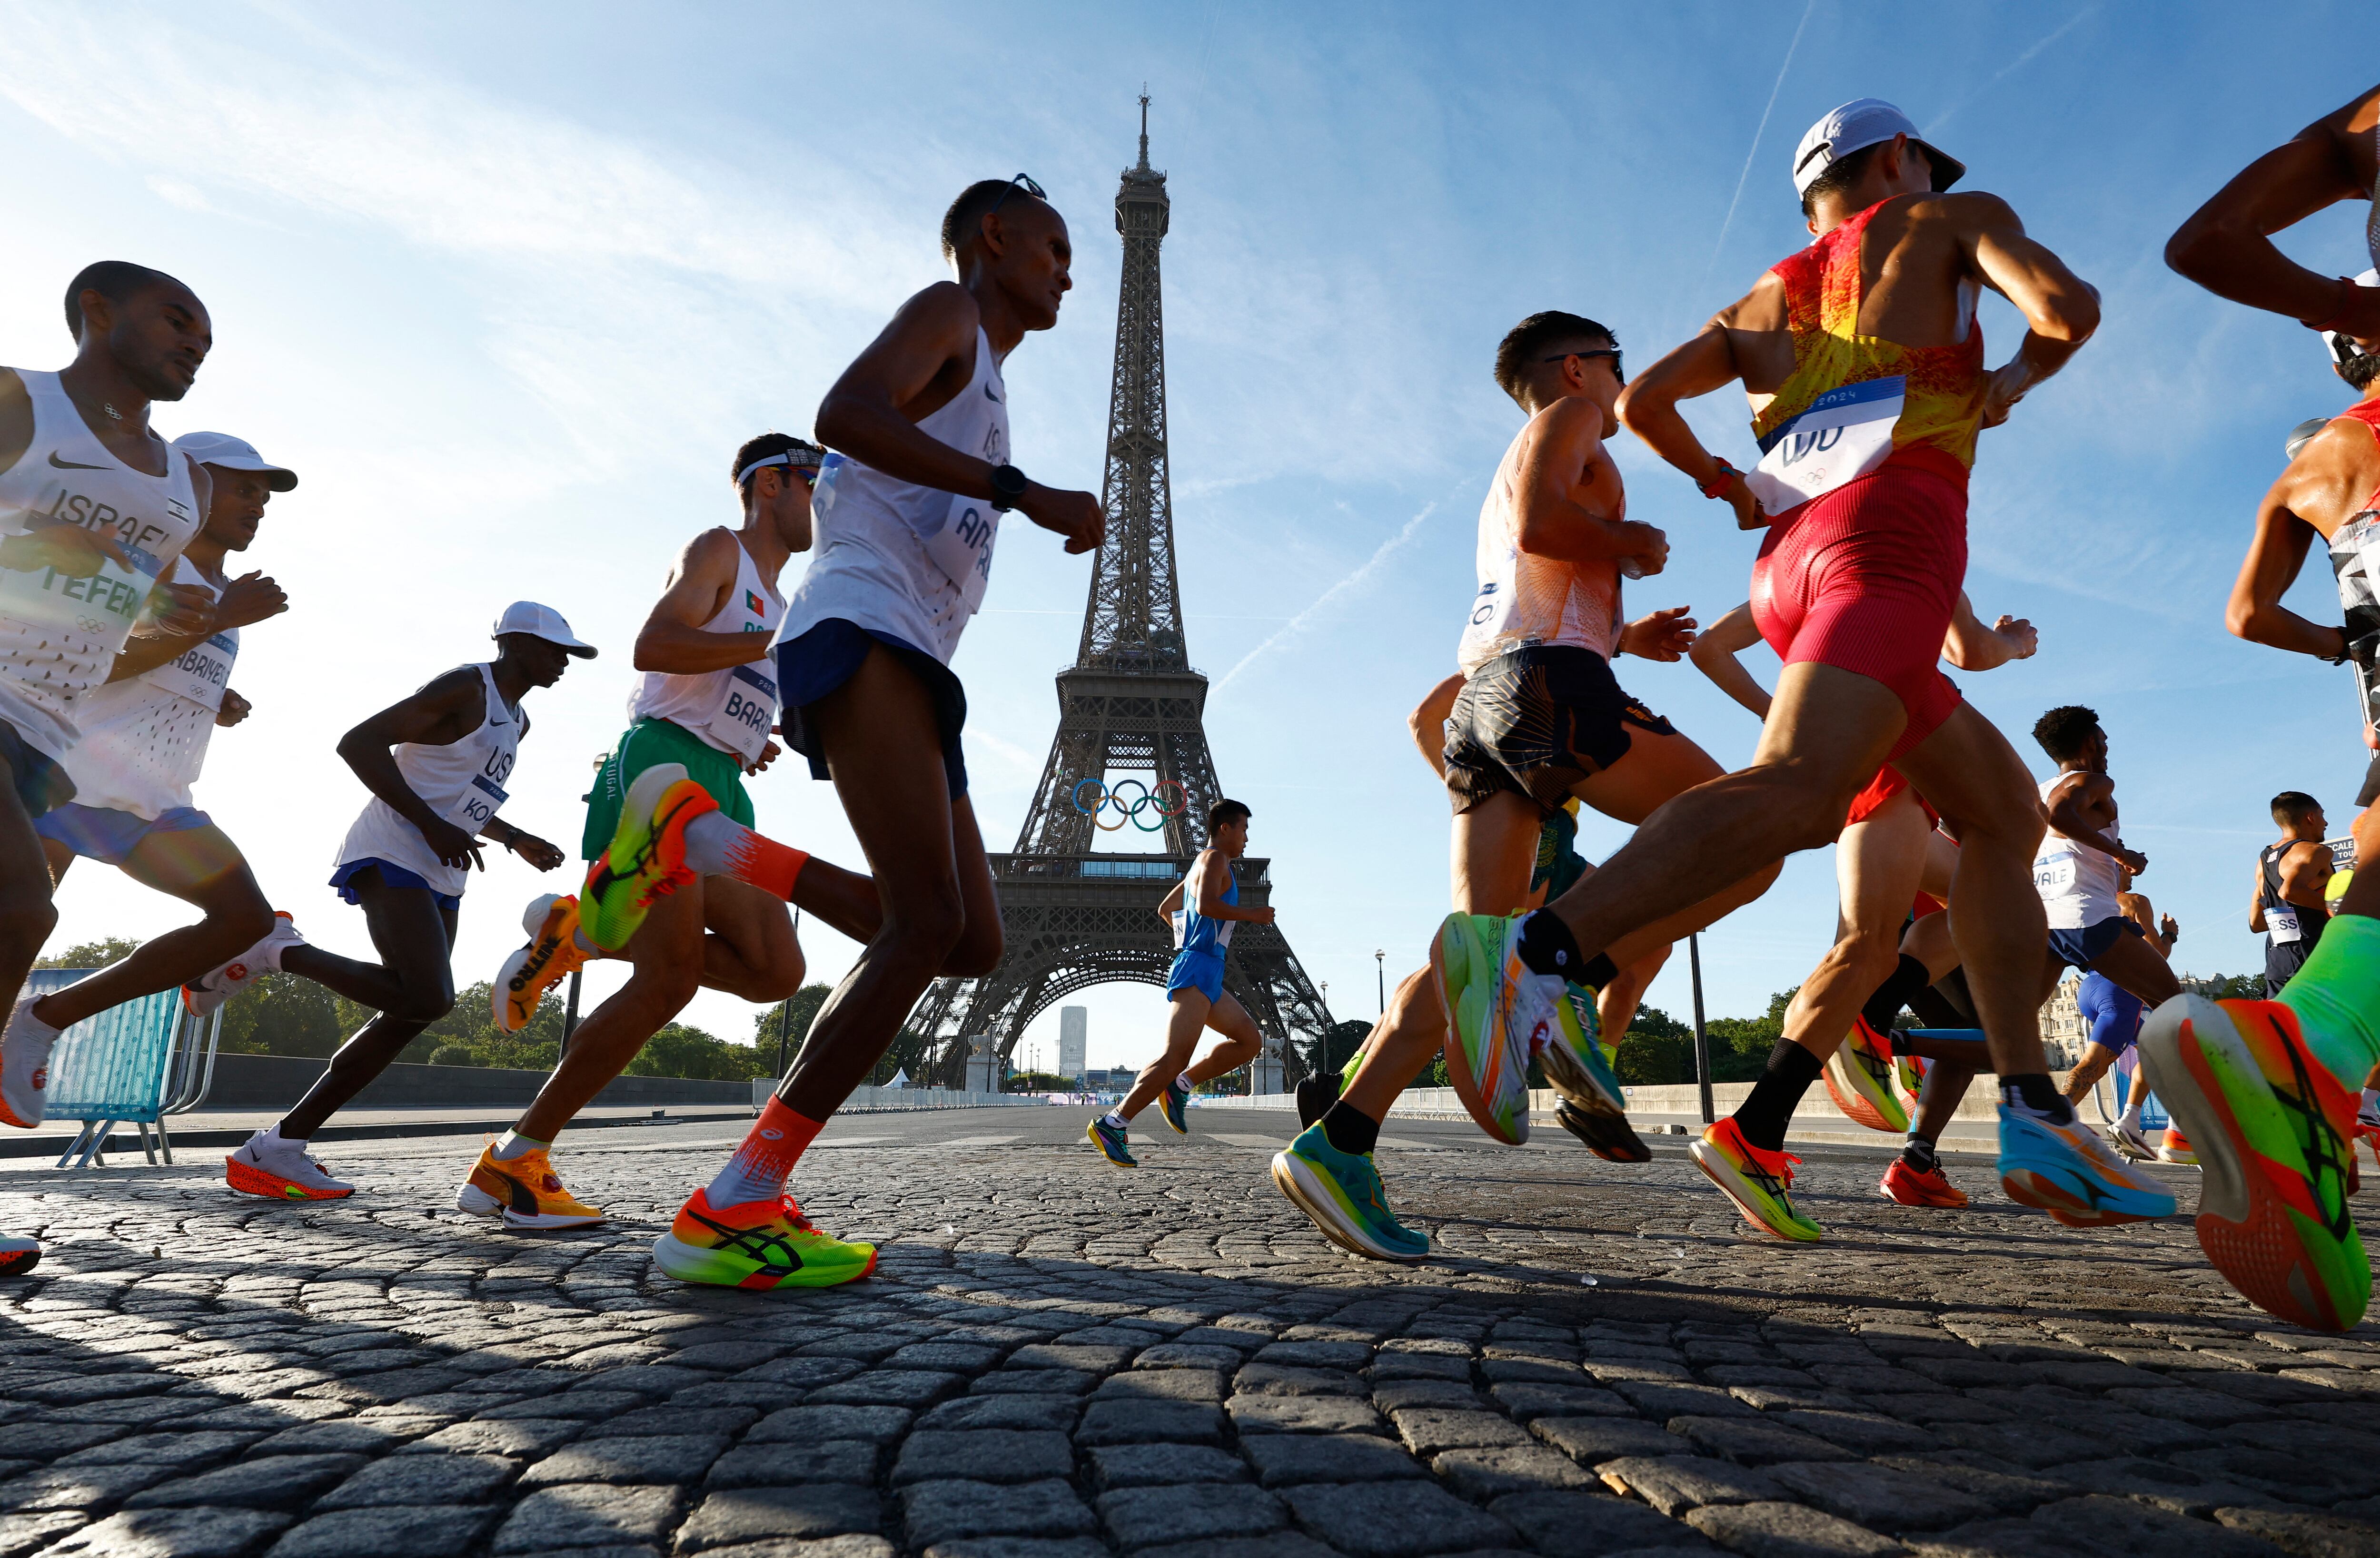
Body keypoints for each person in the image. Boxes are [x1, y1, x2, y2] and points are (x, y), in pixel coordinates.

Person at [1439, 99, 2171, 1234]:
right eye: (1924, 162)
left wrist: (1722, 483)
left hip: (1793, 566)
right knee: (1797, 790)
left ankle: (2032, 1108)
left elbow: (1640, 403)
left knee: (2002, 816)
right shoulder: (1949, 219)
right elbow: (2069, 311)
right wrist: (2009, 380)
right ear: (1896, 158)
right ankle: (1535, 957)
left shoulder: (1762, 298)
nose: (1932, 175)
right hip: (1892, 547)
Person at [647, 175, 1104, 1289]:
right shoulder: (947, 315)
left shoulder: (986, 377)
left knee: (975, 942)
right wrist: (1021, 490)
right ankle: (735, 1199)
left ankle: (722, 848)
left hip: (915, 659)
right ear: (992, 239)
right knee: (922, 921)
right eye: (1052, 246)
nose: (1068, 269)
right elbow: (843, 414)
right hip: (864, 626)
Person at [1270, 310, 1780, 1263]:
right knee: (1748, 831)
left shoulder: (1520, 450)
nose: (1623, 384)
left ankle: (1338, 1141)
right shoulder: (1570, 416)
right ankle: (1566, 978)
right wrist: (1626, 539)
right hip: (1550, 685)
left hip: (1490, 699)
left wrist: (1626, 634)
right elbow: (1548, 527)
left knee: (1476, 947)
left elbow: (1527, 574)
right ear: (1580, 367)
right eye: (1617, 366)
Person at [457, 434, 851, 1224]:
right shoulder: (718, 551)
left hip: (722, 781)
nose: (826, 502)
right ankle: (514, 1159)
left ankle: (585, 930)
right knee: (667, 981)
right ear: (769, 484)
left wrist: (752, 732)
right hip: (660, 772)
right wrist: (770, 651)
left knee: (776, 969)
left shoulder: (782, 599)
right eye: (816, 484)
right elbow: (654, 645)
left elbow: (718, 676)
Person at [1683, 592, 2033, 1234]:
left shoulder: (1797, 567)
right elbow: (1969, 650)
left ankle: (1852, 1036)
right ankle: (1760, 1128)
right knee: (1866, 948)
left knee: (1975, 896)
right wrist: (2013, 642)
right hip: (1893, 767)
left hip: (1873, 768)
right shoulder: (1911, 542)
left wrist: (1793, 719)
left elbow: (1707, 647)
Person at [213, 605, 583, 1199]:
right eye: (554, 650)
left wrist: (514, 837)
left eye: (570, 654)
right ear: (513, 643)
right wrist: (428, 824)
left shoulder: (521, 721)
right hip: (392, 850)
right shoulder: (466, 686)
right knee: (430, 997)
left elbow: (462, 794)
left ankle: (279, 1146)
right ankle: (279, 950)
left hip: (443, 868)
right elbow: (357, 743)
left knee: (411, 1012)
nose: (564, 662)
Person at [0, 262, 217, 1276]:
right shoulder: (23, 403)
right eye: (178, 319)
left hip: (46, 732)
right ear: (97, 310)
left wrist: (167, 623)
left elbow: (120, 602)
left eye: (205, 336)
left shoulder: (178, 480)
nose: (195, 342)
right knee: (18, 910)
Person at [20, 433, 292, 1085]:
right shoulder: (145, 564)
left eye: (264, 496)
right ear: (193, 484)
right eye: (244, 488)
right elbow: (97, 663)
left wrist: (212, 697)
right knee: (20, 928)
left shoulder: (223, 590)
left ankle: (45, 1019)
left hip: (156, 799)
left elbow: (156, 666)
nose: (258, 505)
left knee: (245, 920)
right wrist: (215, 619)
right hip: (71, 783)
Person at [1086, 799, 1270, 1166]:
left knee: (1250, 1041)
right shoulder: (1215, 858)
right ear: (1225, 829)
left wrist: (1194, 941)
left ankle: (1181, 1085)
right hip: (1198, 968)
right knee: (1175, 1056)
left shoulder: (1202, 864)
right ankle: (1113, 1122)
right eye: (1244, 829)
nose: (1247, 838)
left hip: (1208, 969)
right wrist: (1251, 914)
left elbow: (1168, 908)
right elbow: (1203, 907)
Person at [2029, 707, 2182, 1083]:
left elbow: (2055, 842)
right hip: (2087, 921)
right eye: (2104, 740)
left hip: (2043, 924)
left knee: (2007, 1028)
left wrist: (2115, 859)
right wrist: (2120, 854)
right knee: (2178, 1010)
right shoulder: (2096, 782)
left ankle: (1897, 1040)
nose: (2108, 747)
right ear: (2089, 743)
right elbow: (2059, 817)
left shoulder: (2036, 790)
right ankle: (2201, 1121)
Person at [2087, 867, 2180, 1161]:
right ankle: (2048, 1125)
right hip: (2123, 992)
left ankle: (2132, 1121)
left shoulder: (2090, 898)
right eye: (2122, 864)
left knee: (2159, 1052)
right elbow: (2157, 954)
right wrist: (2170, 935)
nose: (2131, 872)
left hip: (2091, 986)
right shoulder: (2134, 901)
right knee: (2093, 1066)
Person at [2251, 792, 2333, 997]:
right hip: (2317, 955)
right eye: (2322, 816)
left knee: (2288, 1027)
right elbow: (2289, 891)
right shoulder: (2316, 851)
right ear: (2311, 817)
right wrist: (2337, 907)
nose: (2326, 823)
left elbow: (2256, 923)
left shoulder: (2263, 863)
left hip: (2279, 962)